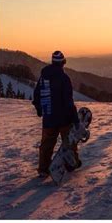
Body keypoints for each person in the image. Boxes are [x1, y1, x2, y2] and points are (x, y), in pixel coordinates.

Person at [32, 50, 80, 178]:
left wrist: (39, 109)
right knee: (69, 142)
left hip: (48, 117)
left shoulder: (44, 77)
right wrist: (75, 119)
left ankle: (43, 169)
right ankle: (72, 164)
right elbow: (68, 101)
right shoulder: (64, 78)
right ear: (63, 62)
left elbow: (37, 94)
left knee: (46, 144)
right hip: (64, 118)